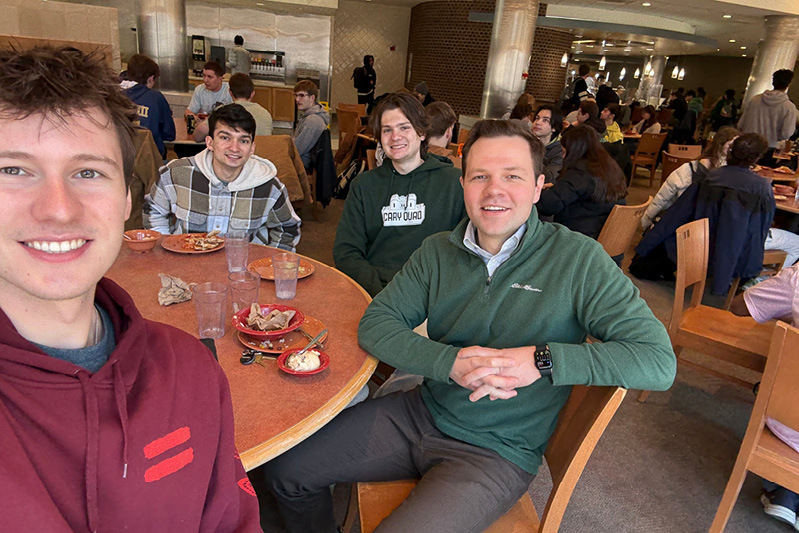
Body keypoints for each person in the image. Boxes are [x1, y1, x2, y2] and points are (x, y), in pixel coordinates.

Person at [261, 119, 675, 532]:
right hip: (422, 413)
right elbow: (376, 325)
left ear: (537, 188)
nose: (494, 190)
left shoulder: (578, 260)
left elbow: (657, 362)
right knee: (284, 471)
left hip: (497, 452)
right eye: (480, 176)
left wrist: (543, 358)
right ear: (464, 185)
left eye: (512, 176)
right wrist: (449, 362)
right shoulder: (437, 252)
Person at [0, 46, 259, 531]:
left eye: (88, 172)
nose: (58, 208)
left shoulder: (193, 372)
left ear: (124, 201)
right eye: (13, 169)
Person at [332, 92, 466, 297]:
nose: (395, 137)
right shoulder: (364, 185)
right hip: (376, 293)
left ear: (422, 133)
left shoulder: (455, 184)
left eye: (404, 127)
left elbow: (469, 251)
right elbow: (346, 252)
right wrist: (383, 296)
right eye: (387, 130)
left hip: (433, 298)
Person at [144, 103, 301, 250]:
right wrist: (166, 247)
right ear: (210, 142)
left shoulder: (269, 186)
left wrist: (267, 266)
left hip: (243, 271)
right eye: (225, 138)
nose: (234, 148)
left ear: (252, 148)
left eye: (243, 140)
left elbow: (288, 229)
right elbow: (153, 210)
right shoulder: (176, 173)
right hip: (185, 269)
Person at [730, 264, 799, 527]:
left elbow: (739, 307)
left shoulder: (796, 279)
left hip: (789, 418)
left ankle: (782, 487)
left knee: (777, 383)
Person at [537, 125, 627, 240]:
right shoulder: (609, 166)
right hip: (605, 234)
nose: (563, 157)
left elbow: (548, 206)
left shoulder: (580, 172)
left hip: (579, 238)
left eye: (564, 152)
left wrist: (536, 191)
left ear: (575, 151)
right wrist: (559, 187)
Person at [641, 126, 739, 229]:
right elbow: (663, 197)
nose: (733, 149)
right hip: (685, 222)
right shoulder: (690, 169)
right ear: (721, 143)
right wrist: (647, 219)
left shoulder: (731, 173)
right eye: (731, 145)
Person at [121, 53, 176, 160]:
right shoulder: (156, 98)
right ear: (150, 79)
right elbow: (169, 134)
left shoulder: (113, 94)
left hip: (120, 158)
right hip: (150, 161)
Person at [737, 69, 798, 164]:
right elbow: (786, 134)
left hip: (747, 144)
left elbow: (741, 124)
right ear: (789, 84)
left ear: (773, 81)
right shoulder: (789, 107)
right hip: (769, 148)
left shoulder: (755, 100)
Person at [193, 72, 272, 141]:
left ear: (230, 93)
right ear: (252, 93)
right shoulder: (266, 114)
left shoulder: (222, 112)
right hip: (261, 156)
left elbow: (198, 136)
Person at [292, 79, 330, 170]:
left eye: (301, 95)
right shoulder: (310, 116)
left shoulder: (312, 121)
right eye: (296, 95)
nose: (297, 99)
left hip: (300, 165)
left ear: (312, 98)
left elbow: (296, 151)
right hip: (299, 161)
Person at [531, 104, 564, 184]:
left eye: (545, 120)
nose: (538, 122)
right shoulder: (529, 141)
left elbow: (549, 178)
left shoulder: (560, 150)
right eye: (537, 118)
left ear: (554, 128)